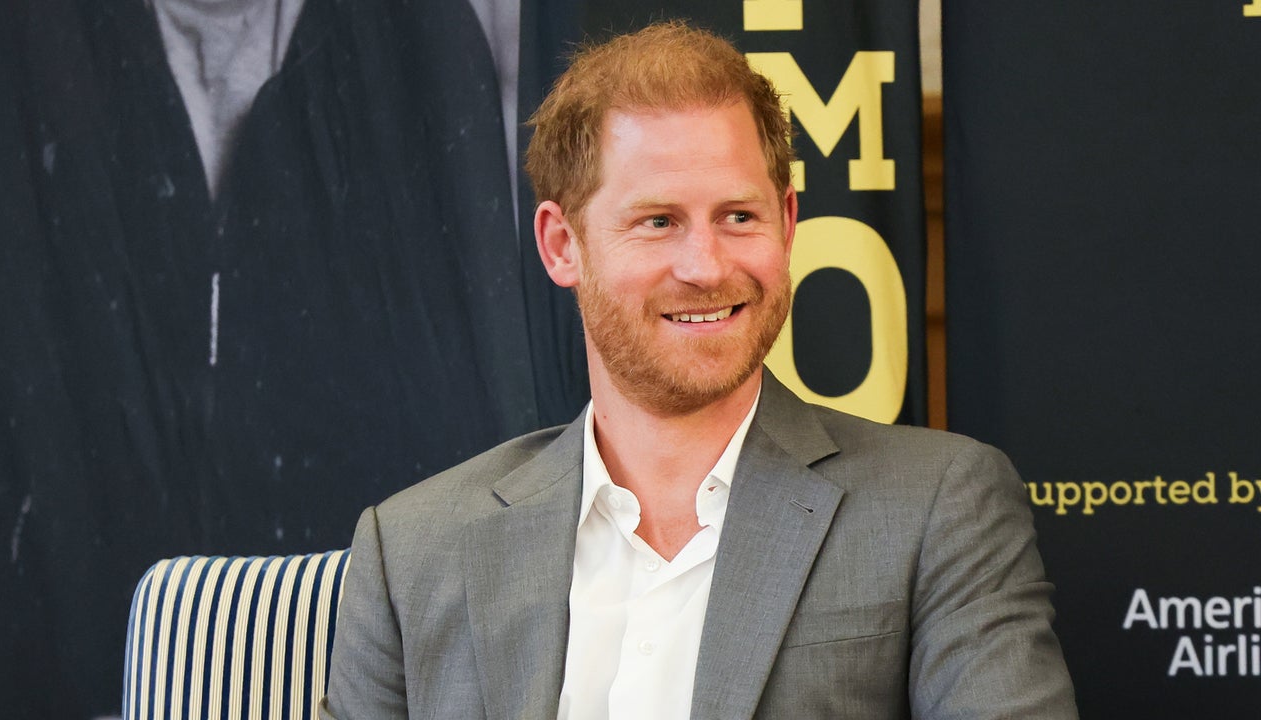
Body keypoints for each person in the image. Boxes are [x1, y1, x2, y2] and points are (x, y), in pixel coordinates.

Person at [320, 20, 1076, 720]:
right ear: (561, 245)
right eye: (658, 222)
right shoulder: (412, 549)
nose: (706, 265)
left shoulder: (940, 507)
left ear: (787, 222)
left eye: (738, 217)